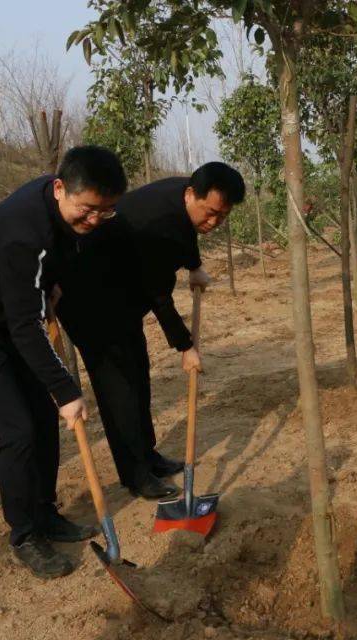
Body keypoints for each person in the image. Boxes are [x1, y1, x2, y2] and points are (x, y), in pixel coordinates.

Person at [0, 146, 127, 579]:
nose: (94, 221)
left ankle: (45, 512)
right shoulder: (24, 232)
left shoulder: (59, 208)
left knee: (43, 416)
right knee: (18, 428)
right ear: (59, 189)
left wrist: (49, 287)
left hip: (5, 320)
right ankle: (24, 534)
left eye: (105, 212)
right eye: (88, 210)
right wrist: (67, 390)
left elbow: (54, 267)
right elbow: (24, 327)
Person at [55, 162, 246, 500]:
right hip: (91, 303)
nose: (214, 222)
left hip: (121, 296)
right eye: (211, 213)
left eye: (223, 216)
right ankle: (136, 475)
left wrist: (194, 265)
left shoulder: (183, 197)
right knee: (120, 390)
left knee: (138, 374)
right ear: (191, 194)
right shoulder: (157, 223)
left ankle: (148, 455)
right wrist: (185, 346)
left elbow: (188, 233)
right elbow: (158, 294)